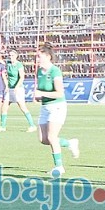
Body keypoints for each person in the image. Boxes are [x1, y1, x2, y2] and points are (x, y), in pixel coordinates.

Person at [33, 44, 79, 175]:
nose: (37, 59)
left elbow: (59, 93)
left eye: (39, 56)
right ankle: (69, 143)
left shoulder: (55, 71)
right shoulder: (39, 71)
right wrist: (38, 97)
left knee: (52, 136)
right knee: (43, 139)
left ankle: (59, 167)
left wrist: (41, 93)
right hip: (45, 107)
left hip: (57, 107)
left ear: (48, 57)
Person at [0, 49, 35, 132]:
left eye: (12, 55)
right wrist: (6, 85)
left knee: (22, 107)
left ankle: (32, 125)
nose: (10, 57)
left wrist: (16, 86)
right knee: (4, 107)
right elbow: (4, 75)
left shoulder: (19, 65)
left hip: (18, 89)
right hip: (10, 88)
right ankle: (3, 126)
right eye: (9, 55)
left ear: (16, 56)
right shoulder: (7, 64)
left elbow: (22, 77)